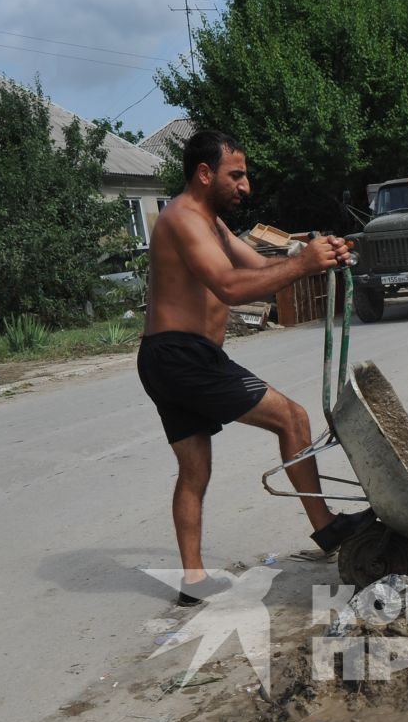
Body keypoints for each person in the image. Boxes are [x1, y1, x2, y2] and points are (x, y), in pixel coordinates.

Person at [137, 129, 371, 605]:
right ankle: (325, 528)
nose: (245, 186)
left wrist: (316, 257)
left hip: (171, 357)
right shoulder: (182, 219)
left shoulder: (212, 223)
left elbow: (257, 271)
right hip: (181, 355)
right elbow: (230, 287)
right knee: (293, 417)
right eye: (236, 175)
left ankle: (193, 581)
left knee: (193, 470)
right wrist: (303, 265)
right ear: (205, 174)